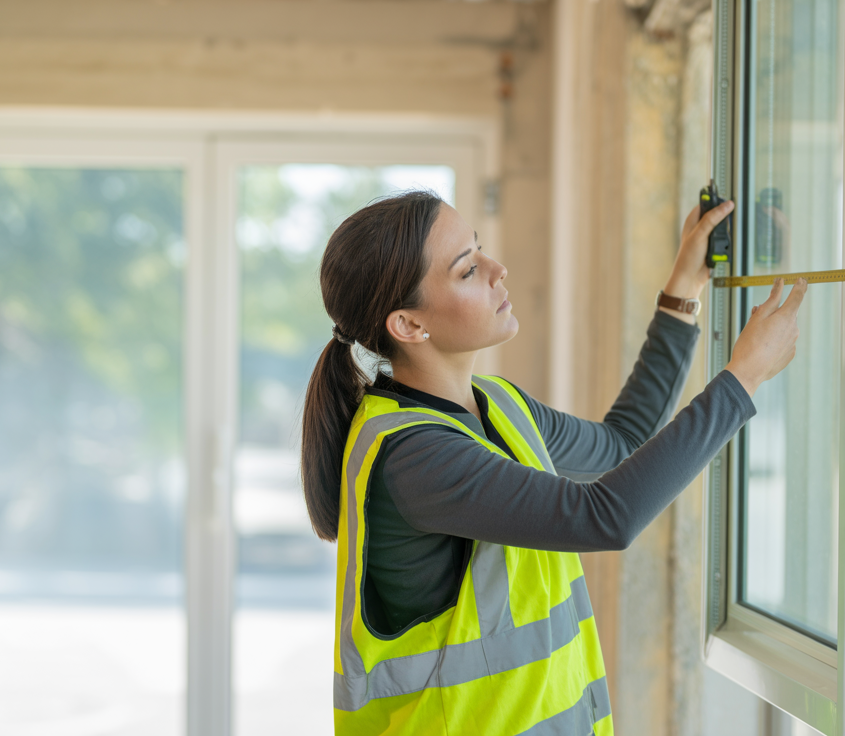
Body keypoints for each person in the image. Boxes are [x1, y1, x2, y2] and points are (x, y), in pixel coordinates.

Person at [300, 190, 807, 735]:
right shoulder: (413, 456)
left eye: (480, 250)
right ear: (408, 326)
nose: (498, 270)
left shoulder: (499, 405)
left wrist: (683, 287)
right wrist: (742, 379)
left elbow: (621, 444)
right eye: (468, 269)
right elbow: (604, 516)